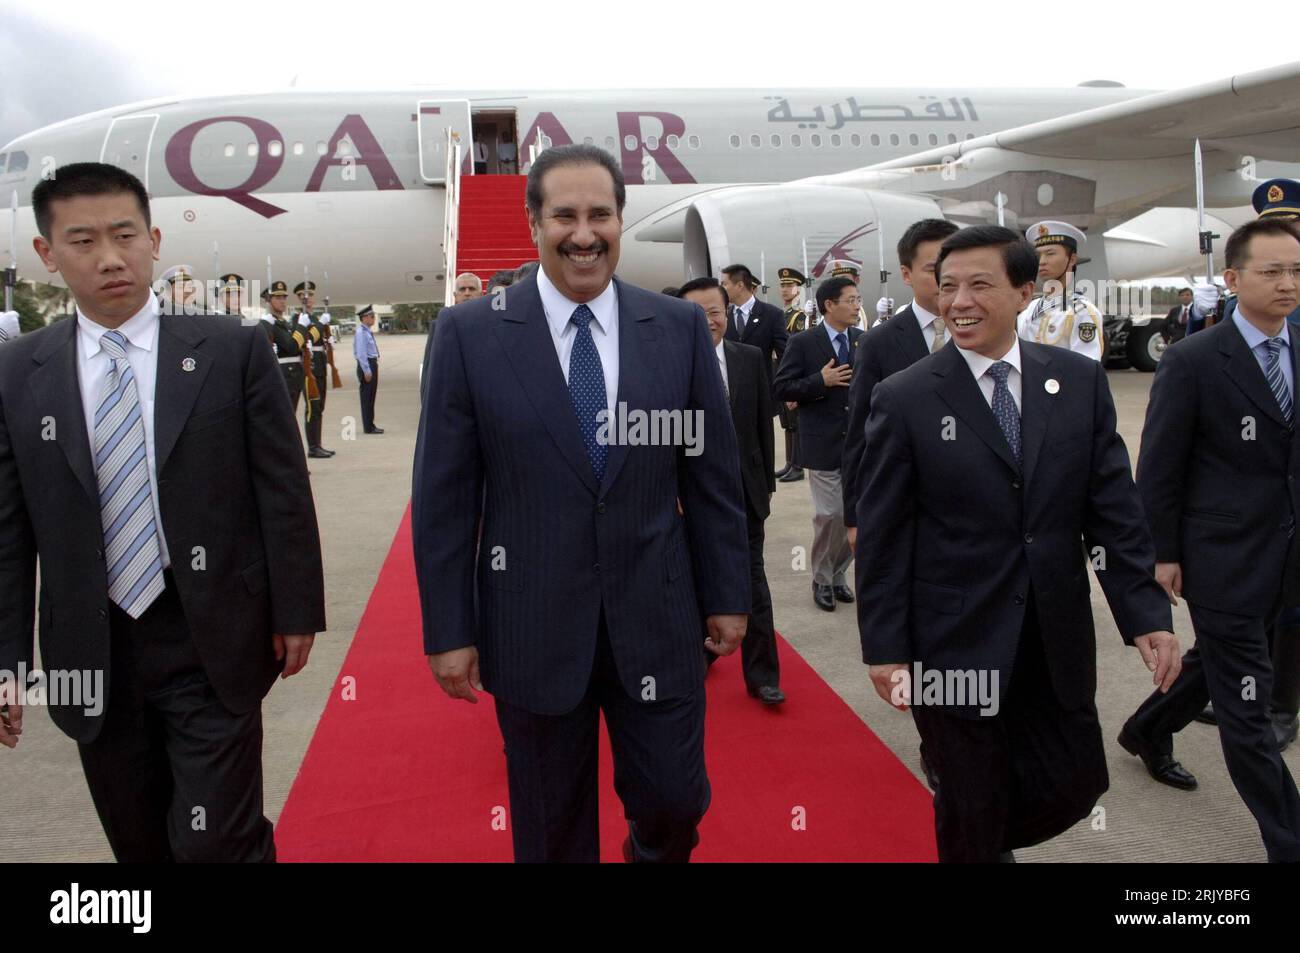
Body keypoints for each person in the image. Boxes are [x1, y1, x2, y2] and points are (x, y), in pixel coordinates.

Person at [413, 144, 750, 863]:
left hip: (659, 619)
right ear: (534, 221)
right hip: (531, 627)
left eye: (600, 213)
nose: (584, 232)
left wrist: (730, 592)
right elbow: (443, 498)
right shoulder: (470, 336)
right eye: (563, 215)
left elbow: (713, 479)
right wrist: (448, 627)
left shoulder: (678, 328)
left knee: (675, 801)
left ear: (621, 220)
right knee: (549, 825)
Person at [0, 162, 325, 861]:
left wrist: (297, 608)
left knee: (218, 843)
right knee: (139, 842)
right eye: (83, 240)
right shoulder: (16, 372)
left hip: (208, 633)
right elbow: (8, 529)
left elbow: (283, 489)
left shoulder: (230, 351)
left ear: (153, 239)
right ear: (47, 255)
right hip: (90, 650)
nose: (111, 257)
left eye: (124, 235)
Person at [855, 225, 1179, 863]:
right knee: (972, 806)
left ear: (1026, 290)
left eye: (980, 285)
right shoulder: (907, 396)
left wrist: (1145, 614)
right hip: (952, 640)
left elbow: (1112, 511)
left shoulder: (1077, 384)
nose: (959, 302)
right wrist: (885, 649)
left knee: (1074, 782)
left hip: (1051, 634)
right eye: (948, 287)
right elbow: (885, 537)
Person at [1120, 217, 1300, 862]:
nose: (1287, 284)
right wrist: (1160, 553)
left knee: (1221, 663)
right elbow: (1160, 465)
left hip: (1288, 553)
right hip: (1220, 557)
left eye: (1297, 271)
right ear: (1232, 279)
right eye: (1272, 271)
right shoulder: (1195, 359)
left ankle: (1146, 728)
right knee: (1247, 709)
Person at [681, 276, 783, 705]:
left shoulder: (749, 357)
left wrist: (766, 487)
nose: (708, 322)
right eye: (696, 314)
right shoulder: (666, 363)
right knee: (692, 583)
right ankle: (698, 658)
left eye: (715, 312)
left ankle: (763, 676)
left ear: (729, 312)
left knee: (753, 584)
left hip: (744, 494)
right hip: (688, 498)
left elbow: (763, 424)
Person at [844, 218, 959, 551]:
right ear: (906, 274)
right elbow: (859, 432)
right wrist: (854, 516)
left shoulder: (982, 334)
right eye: (933, 269)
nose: (945, 279)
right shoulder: (878, 343)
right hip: (905, 500)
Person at [773, 276, 863, 612]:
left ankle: (838, 574)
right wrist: (819, 381)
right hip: (822, 443)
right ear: (829, 304)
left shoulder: (863, 341)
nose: (857, 306)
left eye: (858, 299)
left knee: (856, 517)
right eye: (850, 300)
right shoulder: (804, 342)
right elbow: (782, 388)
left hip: (859, 444)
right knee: (831, 514)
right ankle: (822, 578)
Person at [1016, 221, 1103, 360]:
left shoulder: (1082, 311)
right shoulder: (1029, 309)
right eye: (1038, 256)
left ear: (1072, 259)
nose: (1042, 261)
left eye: (1050, 254)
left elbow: (1085, 370)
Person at [720, 263, 789, 399]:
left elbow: (785, 355)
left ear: (740, 286)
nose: (721, 289)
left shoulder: (771, 314)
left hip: (763, 393)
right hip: (731, 395)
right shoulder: (724, 316)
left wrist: (787, 387)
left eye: (724, 284)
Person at [295, 281, 334, 460]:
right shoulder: (298, 319)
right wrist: (320, 325)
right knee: (313, 407)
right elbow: (306, 337)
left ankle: (317, 444)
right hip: (308, 367)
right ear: (298, 298)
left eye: (310, 295)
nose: (308, 298)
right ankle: (312, 447)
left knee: (320, 407)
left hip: (319, 365)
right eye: (304, 295)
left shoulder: (313, 318)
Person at [776, 267, 807, 483]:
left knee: (795, 422)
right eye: (783, 285)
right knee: (787, 422)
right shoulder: (783, 314)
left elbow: (798, 351)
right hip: (780, 370)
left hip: (792, 372)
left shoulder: (799, 317)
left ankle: (798, 465)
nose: (785, 289)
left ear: (798, 289)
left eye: (790, 285)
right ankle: (789, 462)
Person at [261, 281, 307, 412]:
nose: (282, 301)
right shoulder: (269, 323)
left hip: (294, 376)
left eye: (284, 298)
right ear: (268, 301)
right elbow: (291, 347)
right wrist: (302, 327)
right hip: (284, 376)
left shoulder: (284, 323)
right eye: (277, 298)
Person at [354, 304, 382, 434]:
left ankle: (370, 424)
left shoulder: (366, 332)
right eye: (371, 316)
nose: (374, 318)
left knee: (371, 397)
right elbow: (361, 353)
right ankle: (368, 426)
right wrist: (367, 370)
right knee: (367, 398)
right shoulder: (361, 333)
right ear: (364, 318)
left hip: (372, 363)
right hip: (367, 364)